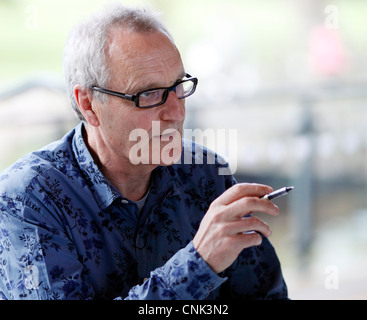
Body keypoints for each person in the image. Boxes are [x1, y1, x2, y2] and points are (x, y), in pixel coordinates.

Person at [0, 4, 288, 300]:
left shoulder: (206, 174)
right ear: (88, 104)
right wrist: (200, 264)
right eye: (148, 94)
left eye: (178, 85)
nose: (176, 112)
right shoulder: (27, 199)